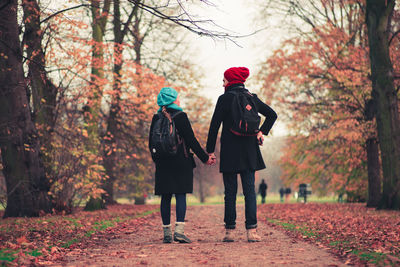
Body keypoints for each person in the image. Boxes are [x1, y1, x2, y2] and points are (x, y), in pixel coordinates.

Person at [206, 67, 277, 242]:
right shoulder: (252, 98)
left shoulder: (224, 99)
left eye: (223, 80)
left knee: (230, 192)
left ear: (230, 82)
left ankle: (229, 232)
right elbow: (272, 115)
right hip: (250, 150)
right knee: (250, 192)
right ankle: (252, 232)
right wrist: (262, 132)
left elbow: (214, 126)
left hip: (230, 150)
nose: (222, 83)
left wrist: (210, 151)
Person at [149, 87, 214, 244]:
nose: (179, 100)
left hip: (162, 163)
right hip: (181, 161)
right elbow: (191, 140)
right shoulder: (180, 116)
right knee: (180, 195)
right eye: (177, 98)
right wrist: (205, 158)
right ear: (172, 100)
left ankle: (166, 234)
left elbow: (150, 143)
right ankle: (179, 232)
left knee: (165, 196)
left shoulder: (156, 118)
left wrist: (157, 161)